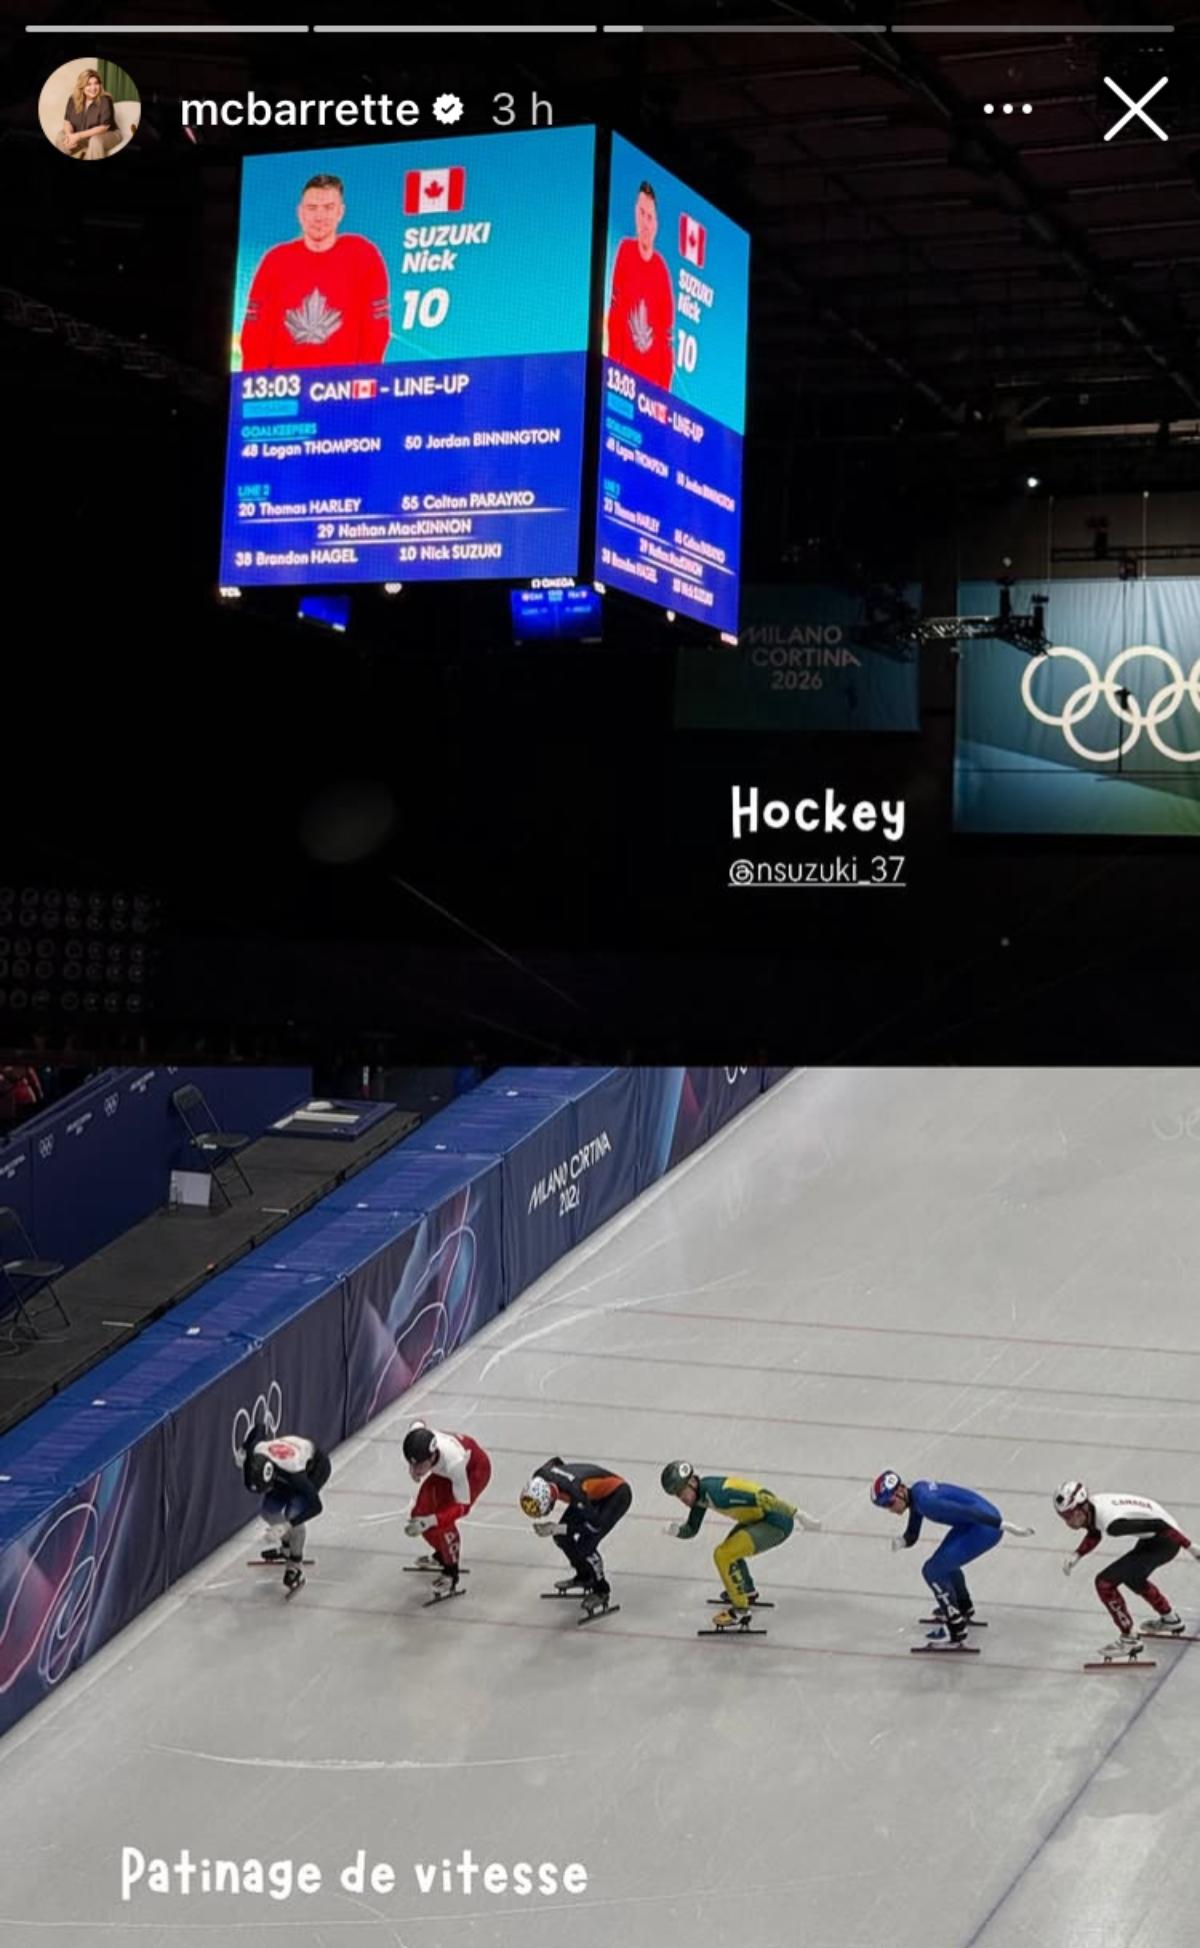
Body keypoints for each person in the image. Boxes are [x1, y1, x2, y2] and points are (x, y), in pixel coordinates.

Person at [240, 174, 391, 370]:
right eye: (312, 208)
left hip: (344, 383)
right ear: (300, 213)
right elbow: (254, 334)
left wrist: (362, 379)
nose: (319, 217)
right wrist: (255, 382)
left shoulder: (364, 256)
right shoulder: (275, 261)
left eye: (328, 208)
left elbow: (376, 330)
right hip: (286, 383)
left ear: (340, 212)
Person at [873, 1471, 1034, 1643]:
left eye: (889, 1503)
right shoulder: (917, 1496)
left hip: (984, 1526)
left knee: (932, 1571)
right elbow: (913, 1533)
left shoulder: (927, 1502)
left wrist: (1003, 1525)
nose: (889, 1509)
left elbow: (969, 1511)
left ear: (900, 1491)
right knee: (944, 1564)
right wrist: (902, 1541)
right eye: (884, 1506)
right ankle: (963, 1606)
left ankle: (955, 1627)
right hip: (972, 1524)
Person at [661, 1460, 821, 1628]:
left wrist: (800, 1515)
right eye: (677, 1496)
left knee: (723, 1555)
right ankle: (746, 1591)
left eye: (682, 1493)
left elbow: (764, 1499)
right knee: (731, 1548)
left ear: (693, 1482)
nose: (682, 1499)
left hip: (776, 1522)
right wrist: (676, 1531)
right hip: (758, 1518)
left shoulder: (718, 1494)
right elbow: (692, 1529)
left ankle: (741, 1611)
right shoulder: (701, 1495)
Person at [1055, 1479, 1200, 1659]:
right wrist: (1077, 1555)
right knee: (1134, 1577)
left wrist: (1192, 1548)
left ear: (1083, 1507)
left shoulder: (1113, 1524)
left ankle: (1129, 1639)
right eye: (1064, 1517)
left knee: (1104, 1583)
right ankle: (1170, 1619)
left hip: (1166, 1539)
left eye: (1071, 1515)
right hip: (1154, 1538)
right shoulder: (1093, 1507)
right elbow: (1094, 1531)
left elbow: (1161, 1526)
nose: (1069, 1522)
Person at [520, 1460, 631, 1618]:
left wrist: (555, 1527)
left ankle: (601, 1590)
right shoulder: (540, 1474)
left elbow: (594, 1525)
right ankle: (585, 1576)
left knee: (586, 1545)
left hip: (616, 1495)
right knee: (561, 1537)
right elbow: (556, 1461)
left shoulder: (575, 1493)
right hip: (588, 1494)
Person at [239, 1423, 332, 1594]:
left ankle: (295, 1565)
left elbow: (316, 1506)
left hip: (315, 1468)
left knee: (293, 1514)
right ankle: (287, 1548)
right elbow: (260, 1426)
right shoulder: (256, 1450)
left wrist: (286, 1526)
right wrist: (244, 1448)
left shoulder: (295, 1474)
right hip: (284, 1468)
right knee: (268, 1511)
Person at [403, 1420, 491, 1596]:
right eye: (412, 1464)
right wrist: (413, 1467)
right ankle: (442, 1555)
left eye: (419, 1465)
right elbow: (418, 1422)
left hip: (473, 1472)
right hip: (443, 1472)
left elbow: (463, 1507)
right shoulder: (418, 1436)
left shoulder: (454, 1463)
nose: (416, 1469)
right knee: (418, 1514)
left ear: (432, 1457)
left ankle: (451, 1572)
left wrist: (431, 1521)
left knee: (443, 1522)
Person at [604, 180, 675, 392]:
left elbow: (666, 342)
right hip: (623, 381)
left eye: (650, 217)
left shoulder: (661, 271)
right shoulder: (625, 251)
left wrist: (662, 394)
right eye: (641, 214)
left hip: (651, 390)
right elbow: (615, 316)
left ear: (656, 224)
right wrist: (614, 370)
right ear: (635, 214)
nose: (645, 223)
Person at [58, 70, 120, 162]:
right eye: (88, 84)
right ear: (82, 86)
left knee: (95, 140)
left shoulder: (105, 100)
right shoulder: (72, 99)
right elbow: (67, 121)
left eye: (96, 83)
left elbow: (104, 128)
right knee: (60, 136)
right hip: (84, 137)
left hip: (109, 135)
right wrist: (69, 135)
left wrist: (78, 136)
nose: (93, 87)